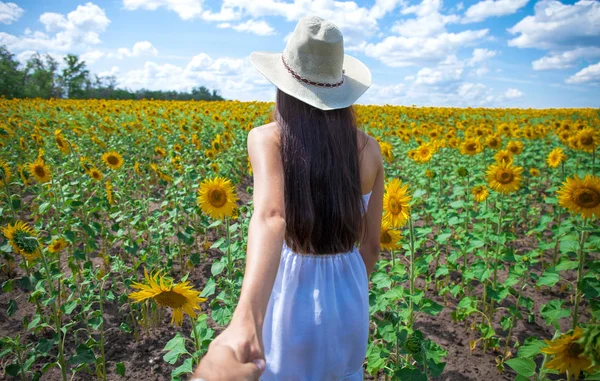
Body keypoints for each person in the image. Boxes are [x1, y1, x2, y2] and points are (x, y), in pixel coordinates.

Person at [192, 15, 383, 381]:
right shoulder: (369, 150)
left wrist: (245, 319)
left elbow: (271, 216)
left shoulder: (268, 139)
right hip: (349, 296)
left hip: (290, 292)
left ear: (284, 83)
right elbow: (371, 247)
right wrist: (344, 290)